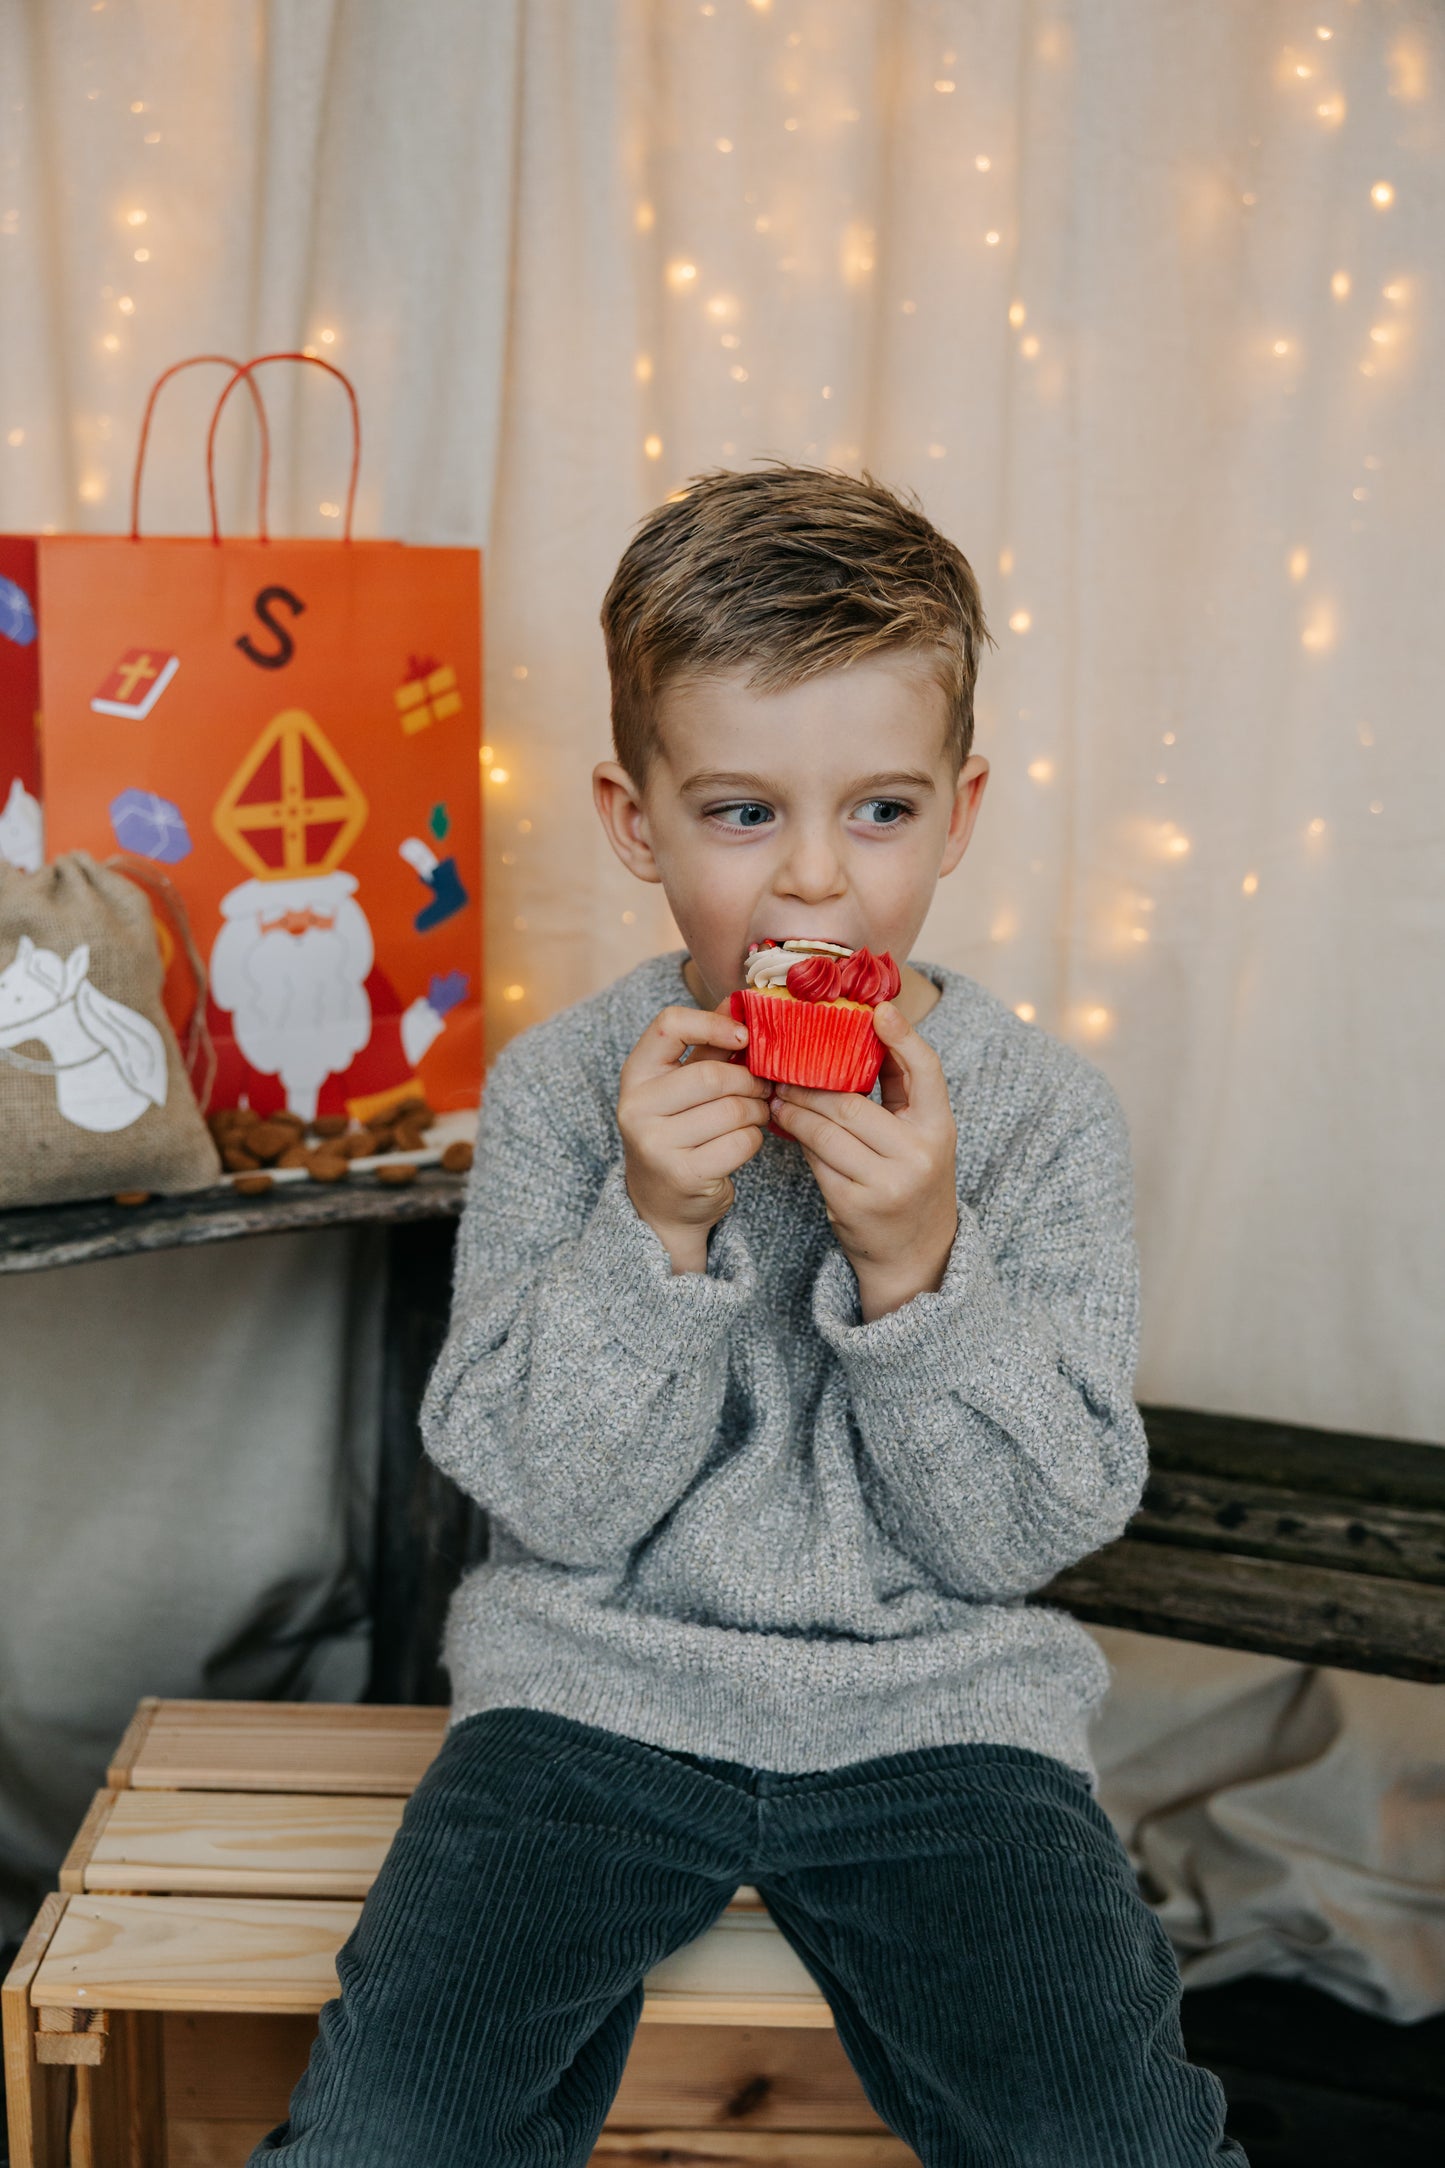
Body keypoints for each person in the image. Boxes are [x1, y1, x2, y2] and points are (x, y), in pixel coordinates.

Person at [250, 466, 1246, 2166]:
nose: (811, 886)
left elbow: (1017, 1538)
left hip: (942, 1715)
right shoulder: (565, 1092)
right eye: (737, 813)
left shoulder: (1039, 1118)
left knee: (1115, 2137)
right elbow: (554, 1505)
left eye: (879, 811)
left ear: (959, 813)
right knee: (385, 2132)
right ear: (634, 821)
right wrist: (652, 1229)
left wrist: (917, 1268)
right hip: (589, 1702)